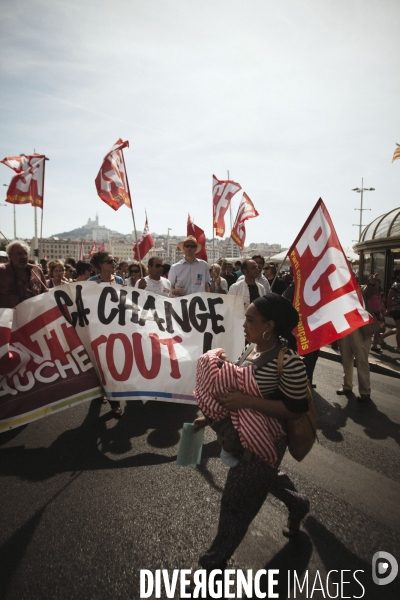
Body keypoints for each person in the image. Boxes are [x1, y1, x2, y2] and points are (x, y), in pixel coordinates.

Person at [193, 294, 310, 575]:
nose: (244, 324)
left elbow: (296, 409)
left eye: (250, 319)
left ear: (269, 325)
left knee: (235, 503)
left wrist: (248, 403)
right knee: (262, 480)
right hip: (242, 434)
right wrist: (209, 415)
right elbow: (235, 384)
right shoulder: (250, 349)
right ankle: (298, 503)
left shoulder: (288, 361)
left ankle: (213, 564)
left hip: (265, 441)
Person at [88, 251, 123, 417]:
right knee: (100, 364)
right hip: (98, 329)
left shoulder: (120, 280)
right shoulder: (92, 282)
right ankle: (101, 392)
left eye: (114, 260)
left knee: (112, 364)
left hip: (115, 327)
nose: (113, 263)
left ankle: (114, 401)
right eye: (110, 261)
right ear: (101, 265)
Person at [0, 240, 48, 308]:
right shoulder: (2, 272)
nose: (23, 257)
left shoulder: (36, 270)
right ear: (10, 256)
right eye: (19, 253)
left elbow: (45, 291)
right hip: (9, 316)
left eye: (25, 253)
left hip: (34, 315)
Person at [386, 268, 400, 353]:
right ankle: (398, 347)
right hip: (397, 309)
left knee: (399, 328)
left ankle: (383, 336)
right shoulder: (396, 285)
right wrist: (388, 309)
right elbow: (389, 297)